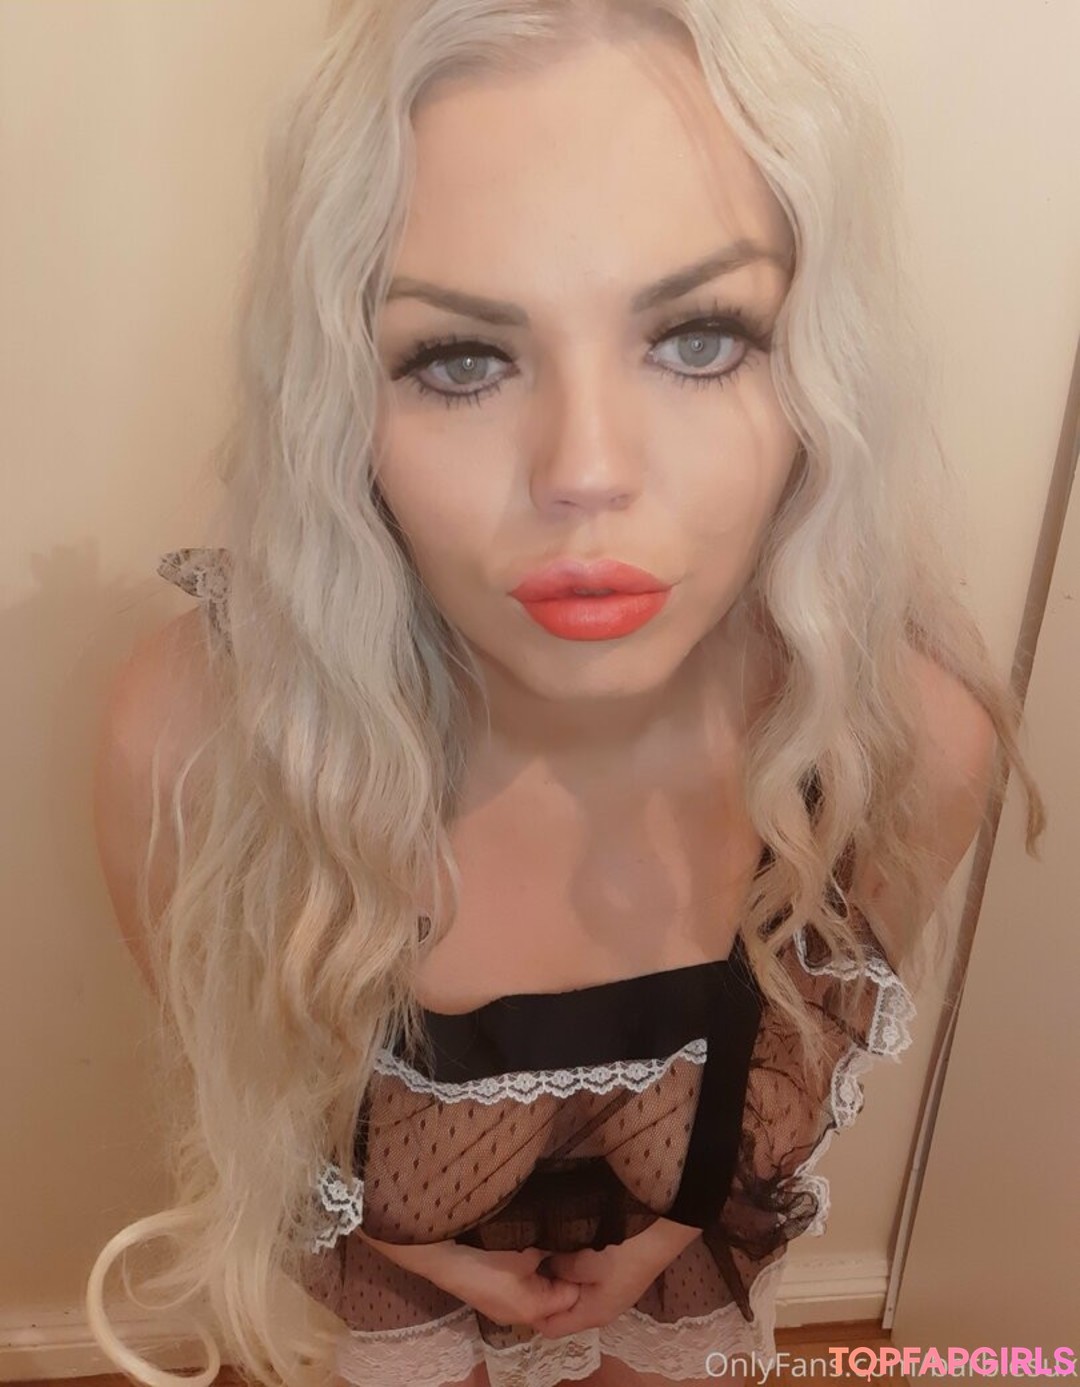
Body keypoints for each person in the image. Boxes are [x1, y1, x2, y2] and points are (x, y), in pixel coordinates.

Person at [88, 3, 1046, 1386]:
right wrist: (416, 1252)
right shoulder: (201, 747)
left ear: (821, 373)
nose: (586, 470)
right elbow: (253, 1110)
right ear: (340, 403)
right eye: (461, 358)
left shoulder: (898, 751)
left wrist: (670, 1234)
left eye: (701, 338)